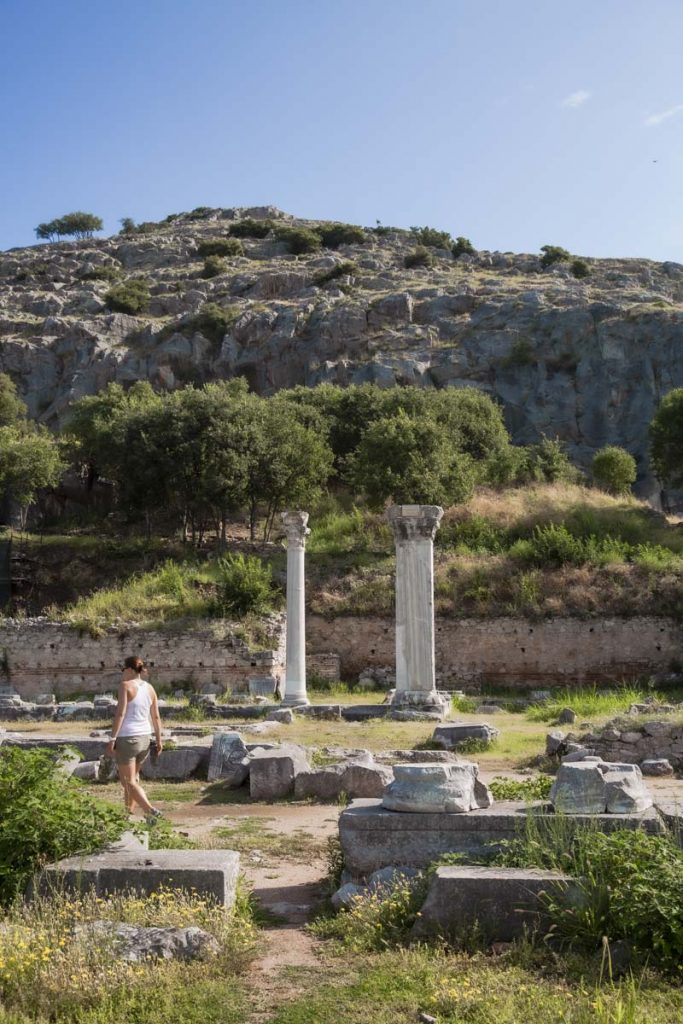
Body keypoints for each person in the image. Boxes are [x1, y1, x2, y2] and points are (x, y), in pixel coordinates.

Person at [106, 655, 164, 825]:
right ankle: (128, 814)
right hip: (145, 738)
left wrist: (112, 738)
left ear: (130, 669)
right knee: (133, 779)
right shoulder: (150, 688)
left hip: (128, 738)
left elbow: (121, 713)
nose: (122, 673)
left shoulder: (125, 686)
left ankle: (150, 811)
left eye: (123, 669)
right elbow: (156, 717)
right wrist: (159, 740)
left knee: (128, 781)